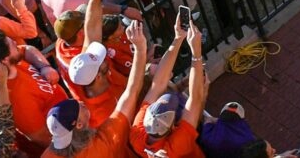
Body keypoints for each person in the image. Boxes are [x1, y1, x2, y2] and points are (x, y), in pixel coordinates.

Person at [43, 20, 148, 157]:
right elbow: (132, 91)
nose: (79, 102)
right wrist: (140, 48)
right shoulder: (101, 119)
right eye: (77, 107)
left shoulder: (83, 76)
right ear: (98, 76)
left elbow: (91, 32)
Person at [128, 22, 207, 158]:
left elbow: (158, 84)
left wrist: (178, 38)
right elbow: (196, 98)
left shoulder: (137, 134)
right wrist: (196, 53)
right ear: (171, 127)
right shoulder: (177, 144)